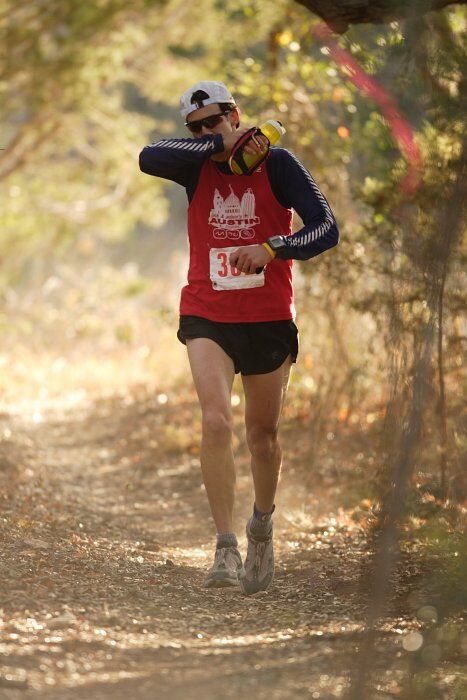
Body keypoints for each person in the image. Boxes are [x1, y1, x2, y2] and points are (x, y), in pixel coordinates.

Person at [139, 81, 339, 595]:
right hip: (207, 312)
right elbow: (147, 155)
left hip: (268, 315)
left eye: (217, 119)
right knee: (214, 420)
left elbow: (327, 228)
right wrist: (218, 147)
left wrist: (273, 247)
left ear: (236, 113)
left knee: (263, 437)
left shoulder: (280, 164)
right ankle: (225, 546)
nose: (209, 129)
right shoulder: (193, 164)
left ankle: (261, 528)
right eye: (197, 125)